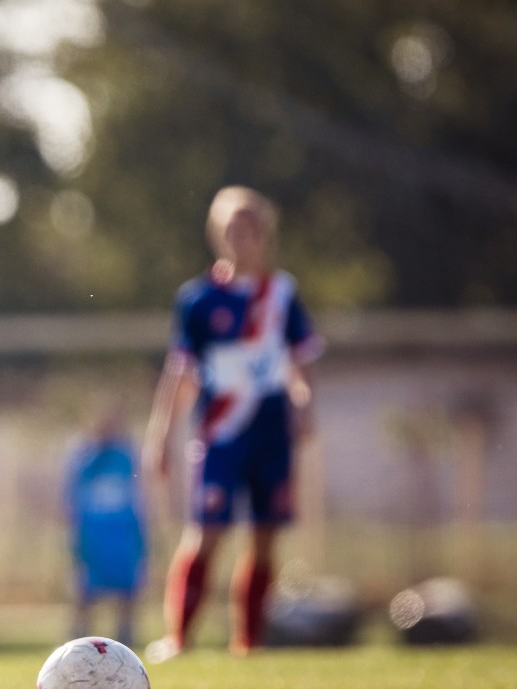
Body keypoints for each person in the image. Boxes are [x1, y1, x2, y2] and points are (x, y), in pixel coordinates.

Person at [142, 186, 321, 662]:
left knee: (263, 539)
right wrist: (161, 434)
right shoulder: (198, 300)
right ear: (218, 235)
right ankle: (178, 638)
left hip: (271, 435)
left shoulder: (281, 293)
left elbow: (300, 363)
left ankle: (249, 642)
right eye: (231, 229)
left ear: (263, 234)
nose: (241, 238)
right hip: (220, 436)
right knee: (206, 534)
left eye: (250, 229)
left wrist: (304, 403)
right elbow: (180, 373)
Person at [64, 401, 146, 646]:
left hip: (122, 533)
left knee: (127, 589)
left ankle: (126, 638)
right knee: (85, 588)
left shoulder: (126, 455)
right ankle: (79, 637)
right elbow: (72, 494)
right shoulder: (84, 455)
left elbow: (137, 494)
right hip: (93, 533)